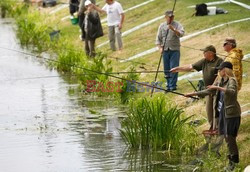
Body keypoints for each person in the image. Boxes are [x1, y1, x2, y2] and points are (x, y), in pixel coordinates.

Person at [185, 62, 241, 171]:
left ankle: (234, 161)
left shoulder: (232, 80)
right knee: (226, 137)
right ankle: (231, 161)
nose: (218, 71)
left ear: (225, 70)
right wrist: (193, 94)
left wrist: (218, 88)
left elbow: (232, 92)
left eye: (220, 69)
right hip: (222, 114)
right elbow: (209, 91)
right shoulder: (220, 81)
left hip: (231, 114)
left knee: (230, 137)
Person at [170, 45, 223, 130]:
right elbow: (191, 66)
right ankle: (212, 128)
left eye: (205, 52)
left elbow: (220, 76)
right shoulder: (204, 61)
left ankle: (218, 128)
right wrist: (177, 69)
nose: (203, 54)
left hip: (217, 90)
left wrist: (213, 86)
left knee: (216, 110)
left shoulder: (219, 61)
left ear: (210, 53)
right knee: (209, 110)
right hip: (207, 91)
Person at [156, 10, 185, 91]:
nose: (171, 18)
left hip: (174, 50)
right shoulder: (161, 26)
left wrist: (174, 29)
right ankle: (168, 85)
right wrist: (160, 48)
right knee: (166, 69)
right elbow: (158, 39)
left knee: (174, 68)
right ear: (165, 17)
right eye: (169, 17)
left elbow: (181, 34)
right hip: (165, 50)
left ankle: (173, 86)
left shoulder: (177, 25)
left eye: (172, 17)